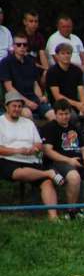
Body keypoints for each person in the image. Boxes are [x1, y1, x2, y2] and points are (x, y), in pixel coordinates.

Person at [40, 99, 84, 217]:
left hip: (78, 160)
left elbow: (83, 147)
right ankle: (71, 211)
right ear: (55, 114)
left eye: (67, 114)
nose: (64, 117)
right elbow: (48, 151)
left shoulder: (74, 127)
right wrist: (69, 160)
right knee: (74, 177)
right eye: (61, 114)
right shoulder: (49, 128)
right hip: (58, 162)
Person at [0, 91, 61, 220]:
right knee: (18, 173)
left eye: (19, 106)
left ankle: (54, 218)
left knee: (47, 184)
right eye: (14, 106)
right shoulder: (1, 123)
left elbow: (39, 144)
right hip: (8, 160)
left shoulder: (28, 123)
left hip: (30, 159)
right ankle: (48, 172)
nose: (17, 109)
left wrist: (33, 149)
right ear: (6, 106)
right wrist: (17, 150)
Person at [45, 43, 84, 147]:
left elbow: (81, 90)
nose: (66, 56)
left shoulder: (76, 70)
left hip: (75, 102)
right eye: (63, 53)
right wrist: (77, 104)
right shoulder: (52, 72)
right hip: (59, 104)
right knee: (72, 118)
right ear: (58, 55)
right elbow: (57, 96)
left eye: (68, 53)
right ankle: (76, 146)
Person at [0, 33, 54, 120]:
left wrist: (40, 97)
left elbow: (35, 83)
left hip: (33, 99)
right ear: (13, 46)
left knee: (53, 115)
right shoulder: (6, 63)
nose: (22, 47)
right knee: (27, 114)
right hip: (15, 101)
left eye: (25, 45)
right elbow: (9, 88)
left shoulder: (31, 61)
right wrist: (27, 102)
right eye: (18, 44)